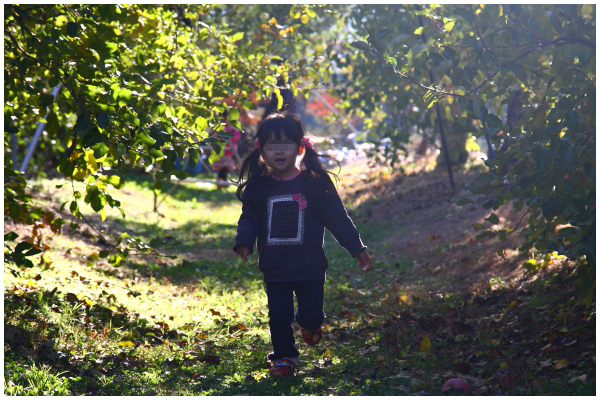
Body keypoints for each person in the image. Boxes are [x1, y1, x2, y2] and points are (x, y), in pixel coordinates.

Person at [233, 112, 373, 378]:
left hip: (309, 266)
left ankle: (310, 326)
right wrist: (244, 242)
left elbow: (337, 219)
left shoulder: (314, 183)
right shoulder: (260, 187)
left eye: (285, 144)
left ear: (299, 147)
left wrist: (357, 248)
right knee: (279, 318)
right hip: (275, 267)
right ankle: (284, 358)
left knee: (311, 316)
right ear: (261, 150)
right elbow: (249, 218)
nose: (278, 151)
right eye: (270, 145)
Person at [211, 111, 242, 189]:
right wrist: (236, 130)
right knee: (225, 167)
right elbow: (234, 137)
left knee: (223, 168)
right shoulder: (226, 128)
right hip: (226, 152)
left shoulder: (217, 127)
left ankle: (222, 181)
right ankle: (222, 181)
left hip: (220, 152)